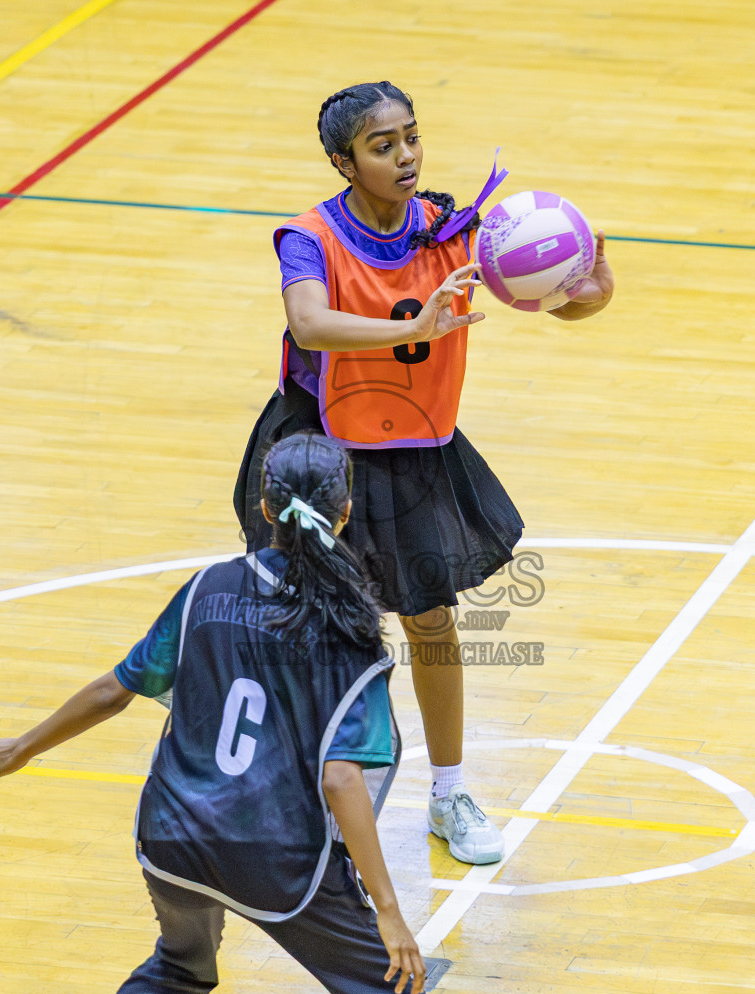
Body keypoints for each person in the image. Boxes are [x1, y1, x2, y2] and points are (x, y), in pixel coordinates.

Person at [234, 81, 613, 864]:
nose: (405, 156)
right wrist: (418, 322)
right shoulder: (309, 238)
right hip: (324, 451)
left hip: (415, 447)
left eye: (412, 137)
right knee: (319, 629)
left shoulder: (452, 225)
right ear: (345, 162)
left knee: (431, 622)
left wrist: (589, 296)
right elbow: (308, 320)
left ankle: (449, 796)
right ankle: (310, 790)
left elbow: (544, 297)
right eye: (383, 146)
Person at [0, 433, 434, 994]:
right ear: (345, 515)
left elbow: (115, 690)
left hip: (172, 838)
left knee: (179, 970)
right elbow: (342, 779)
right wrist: (389, 911)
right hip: (275, 856)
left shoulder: (207, 587)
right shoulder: (353, 636)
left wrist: (25, 747)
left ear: (264, 509)